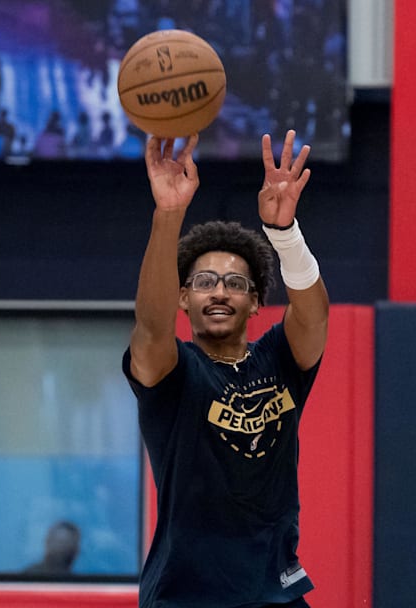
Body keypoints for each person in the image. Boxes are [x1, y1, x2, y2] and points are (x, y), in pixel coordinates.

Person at [123, 129, 328, 608]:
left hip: (276, 590)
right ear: (183, 298)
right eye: (204, 282)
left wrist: (285, 233)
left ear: (256, 302)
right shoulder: (175, 375)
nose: (219, 291)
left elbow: (314, 315)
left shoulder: (279, 358)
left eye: (235, 282)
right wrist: (169, 213)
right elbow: (151, 328)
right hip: (188, 595)